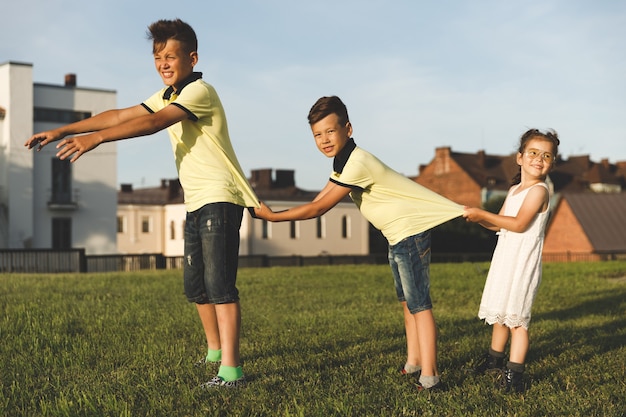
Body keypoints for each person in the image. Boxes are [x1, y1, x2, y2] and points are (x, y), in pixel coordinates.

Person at [24, 19, 258, 389]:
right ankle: (214, 352)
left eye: (171, 56)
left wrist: (98, 139)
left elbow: (155, 124)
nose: (163, 63)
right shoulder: (167, 94)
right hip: (196, 201)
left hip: (220, 197)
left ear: (192, 58)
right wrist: (66, 130)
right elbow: (120, 115)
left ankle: (232, 371)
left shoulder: (199, 92)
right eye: (157, 57)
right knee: (195, 286)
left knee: (220, 286)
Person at [253, 95, 464, 391]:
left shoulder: (357, 162)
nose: (324, 140)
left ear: (348, 129)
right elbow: (317, 200)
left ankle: (431, 377)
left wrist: (274, 218)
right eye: (317, 135)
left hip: (410, 232)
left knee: (419, 305)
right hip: (397, 236)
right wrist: (274, 211)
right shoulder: (342, 163)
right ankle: (413, 362)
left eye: (330, 131)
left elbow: (319, 209)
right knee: (407, 302)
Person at [463, 128, 560, 393]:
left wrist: (482, 212)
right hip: (505, 259)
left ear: (552, 163)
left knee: (517, 320)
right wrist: (476, 216)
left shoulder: (540, 191)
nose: (539, 159)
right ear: (519, 158)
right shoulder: (515, 189)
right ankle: (495, 359)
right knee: (500, 315)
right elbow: (498, 224)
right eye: (533, 153)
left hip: (523, 263)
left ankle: (514, 376)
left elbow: (518, 224)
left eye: (546, 156)